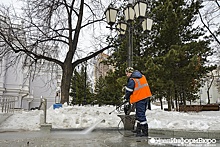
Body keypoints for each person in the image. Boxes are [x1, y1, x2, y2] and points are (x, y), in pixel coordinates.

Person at [124, 67, 152, 137]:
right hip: (146, 97)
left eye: (126, 73)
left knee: (140, 115)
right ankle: (138, 129)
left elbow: (129, 91)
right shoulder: (142, 76)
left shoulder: (132, 80)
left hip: (140, 98)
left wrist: (126, 98)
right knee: (139, 114)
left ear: (129, 72)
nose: (126, 75)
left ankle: (145, 132)